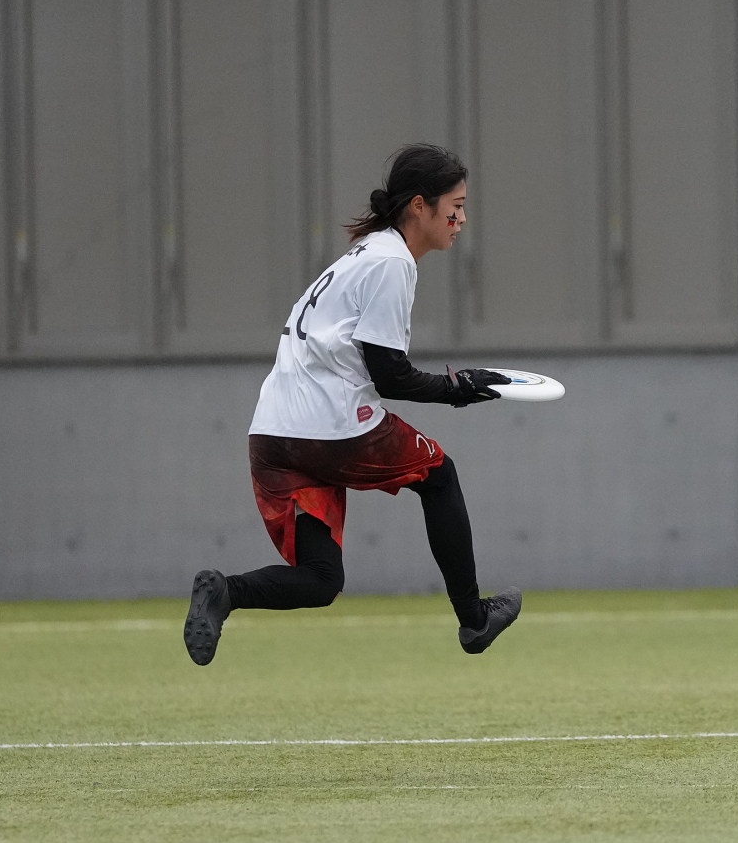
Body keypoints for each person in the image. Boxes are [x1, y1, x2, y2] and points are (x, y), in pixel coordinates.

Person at [185, 144, 521, 665]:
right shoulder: (392, 262)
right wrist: (458, 388)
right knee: (440, 476)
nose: (461, 220)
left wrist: (455, 387)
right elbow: (391, 376)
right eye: (455, 207)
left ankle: (223, 592)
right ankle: (474, 620)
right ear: (419, 206)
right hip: (333, 428)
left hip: (272, 433)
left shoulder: (366, 254)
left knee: (321, 580)